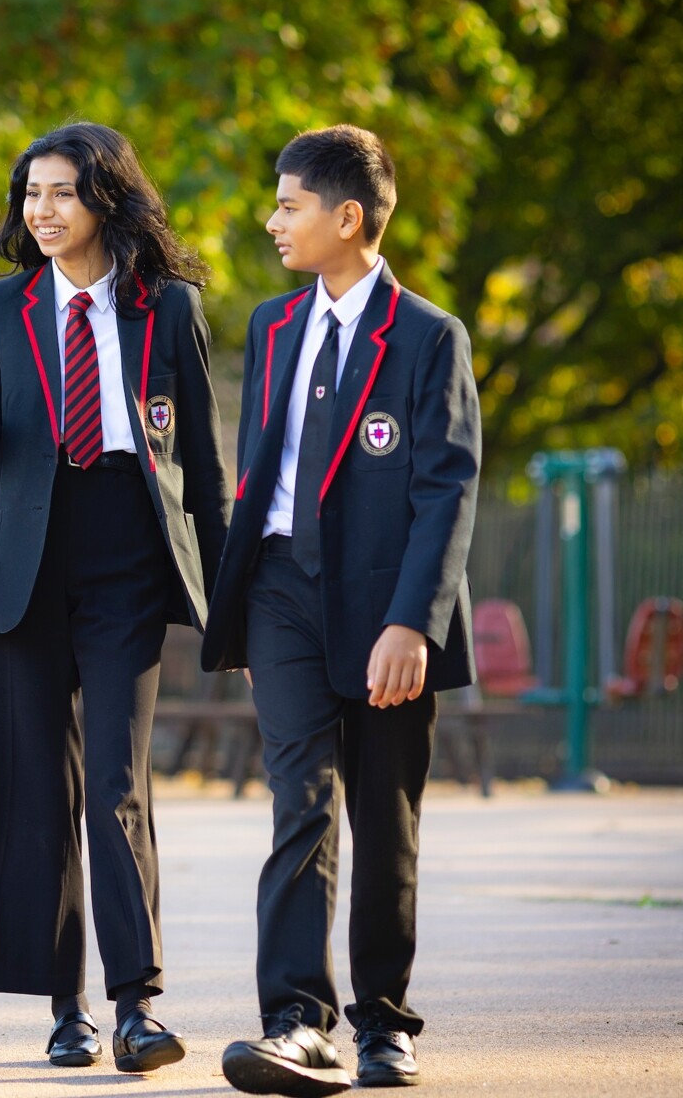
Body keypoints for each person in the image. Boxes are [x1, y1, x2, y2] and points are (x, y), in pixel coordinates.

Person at [0, 122, 228, 1073]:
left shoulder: (168, 307)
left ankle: (138, 1003)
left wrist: (225, 594)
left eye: (62, 192)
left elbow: (206, 468)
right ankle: (66, 1010)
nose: (44, 211)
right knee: (37, 794)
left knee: (115, 782)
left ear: (106, 197)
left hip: (127, 557)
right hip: (28, 564)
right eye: (32, 194)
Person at [205, 126, 479, 1095]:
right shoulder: (273, 328)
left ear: (345, 216)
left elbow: (446, 488)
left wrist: (412, 622)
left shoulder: (426, 338)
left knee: (383, 818)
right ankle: (293, 1020)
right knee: (299, 804)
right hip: (280, 595)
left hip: (384, 615)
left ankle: (383, 1025)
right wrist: (237, 608)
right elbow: (262, 472)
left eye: (287, 205)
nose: (270, 220)